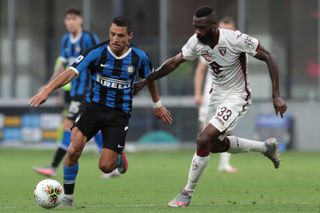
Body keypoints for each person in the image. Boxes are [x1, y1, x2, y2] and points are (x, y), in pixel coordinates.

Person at [133, 6, 287, 207]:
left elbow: (270, 57)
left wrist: (276, 95)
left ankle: (186, 193)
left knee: (202, 139)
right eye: (195, 27)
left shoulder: (236, 39)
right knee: (213, 145)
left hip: (237, 96)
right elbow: (174, 63)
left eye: (202, 27)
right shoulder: (196, 42)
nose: (197, 31)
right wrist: (147, 80)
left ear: (214, 26)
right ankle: (265, 147)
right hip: (216, 98)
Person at [29, 16, 173, 206]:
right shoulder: (96, 53)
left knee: (105, 167)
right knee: (73, 150)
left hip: (118, 115)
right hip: (93, 109)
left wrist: (157, 105)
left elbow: (150, 78)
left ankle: (118, 158)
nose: (115, 39)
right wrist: (48, 89)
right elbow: (70, 73)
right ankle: (67, 199)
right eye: (112, 34)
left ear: (130, 36)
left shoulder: (140, 57)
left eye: (120, 35)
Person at [32, 8, 103, 177]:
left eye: (74, 18)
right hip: (74, 91)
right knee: (91, 125)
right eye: (68, 19)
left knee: (68, 124)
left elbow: (100, 59)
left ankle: (53, 166)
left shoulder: (88, 38)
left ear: (81, 20)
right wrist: (49, 86)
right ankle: (111, 162)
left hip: (87, 90)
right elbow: (61, 67)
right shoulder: (65, 40)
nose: (70, 21)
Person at [194, 17, 238, 173]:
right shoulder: (208, 45)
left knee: (225, 129)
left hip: (229, 95)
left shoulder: (238, 46)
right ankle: (198, 160)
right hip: (210, 96)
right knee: (204, 130)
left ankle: (224, 164)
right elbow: (200, 70)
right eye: (223, 29)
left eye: (229, 29)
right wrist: (198, 93)